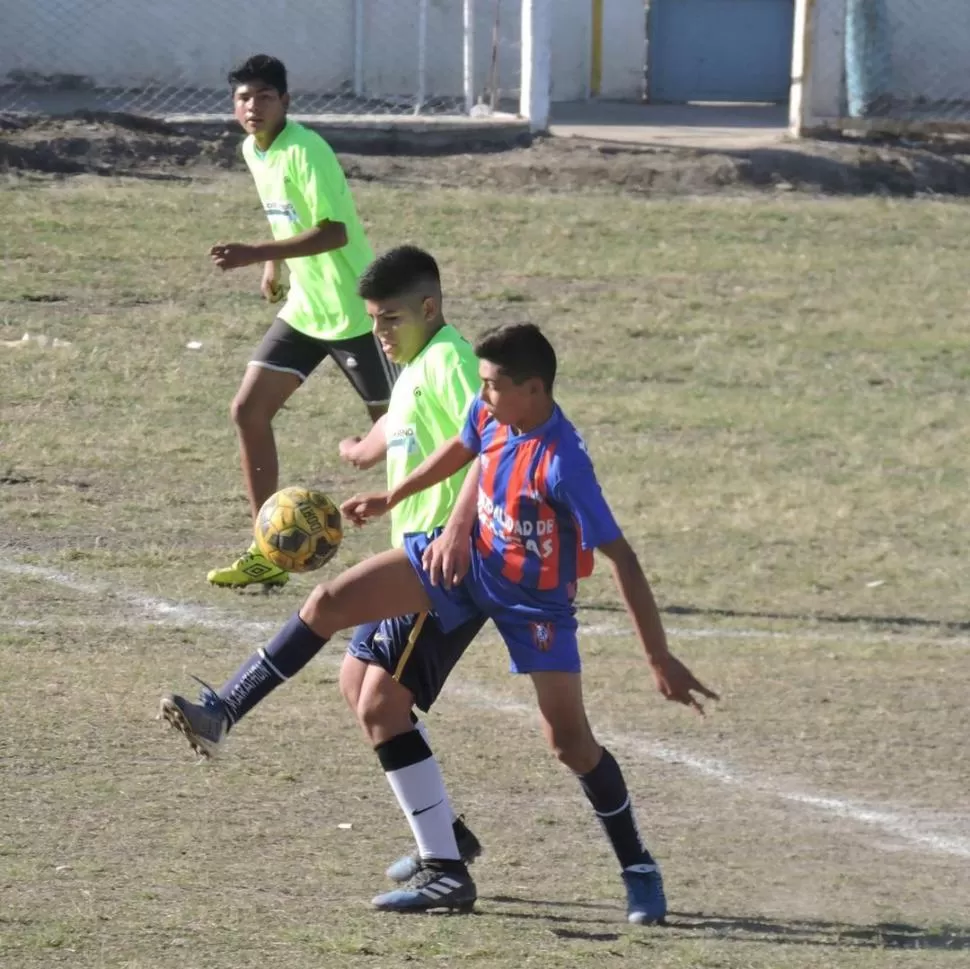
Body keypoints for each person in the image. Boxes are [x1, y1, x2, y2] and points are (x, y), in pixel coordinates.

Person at [161, 322, 717, 923]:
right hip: (467, 564)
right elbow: (465, 446)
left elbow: (624, 560)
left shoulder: (565, 465)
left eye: (492, 386)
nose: (481, 397)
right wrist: (394, 497)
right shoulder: (496, 415)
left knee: (569, 743)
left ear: (533, 390)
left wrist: (658, 657)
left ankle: (638, 867)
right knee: (327, 602)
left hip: (535, 604)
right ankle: (224, 712)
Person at [164, 245, 488, 885]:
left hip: (448, 562)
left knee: (328, 608)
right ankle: (446, 838)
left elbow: (489, 443)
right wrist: (362, 450)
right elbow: (401, 422)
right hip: (419, 548)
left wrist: (453, 525)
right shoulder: (419, 361)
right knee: (361, 691)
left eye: (390, 319)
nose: (379, 334)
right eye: (373, 319)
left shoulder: (451, 360)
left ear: (429, 307)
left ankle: (223, 711)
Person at [205, 54, 399, 590]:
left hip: (357, 314)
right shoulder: (253, 148)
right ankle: (268, 547)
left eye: (264, 96)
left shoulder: (307, 151)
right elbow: (285, 211)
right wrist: (274, 264)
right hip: (308, 310)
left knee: (406, 432)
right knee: (248, 410)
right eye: (244, 97)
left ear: (286, 102)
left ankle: (443, 541)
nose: (253, 106)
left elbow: (334, 232)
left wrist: (252, 252)